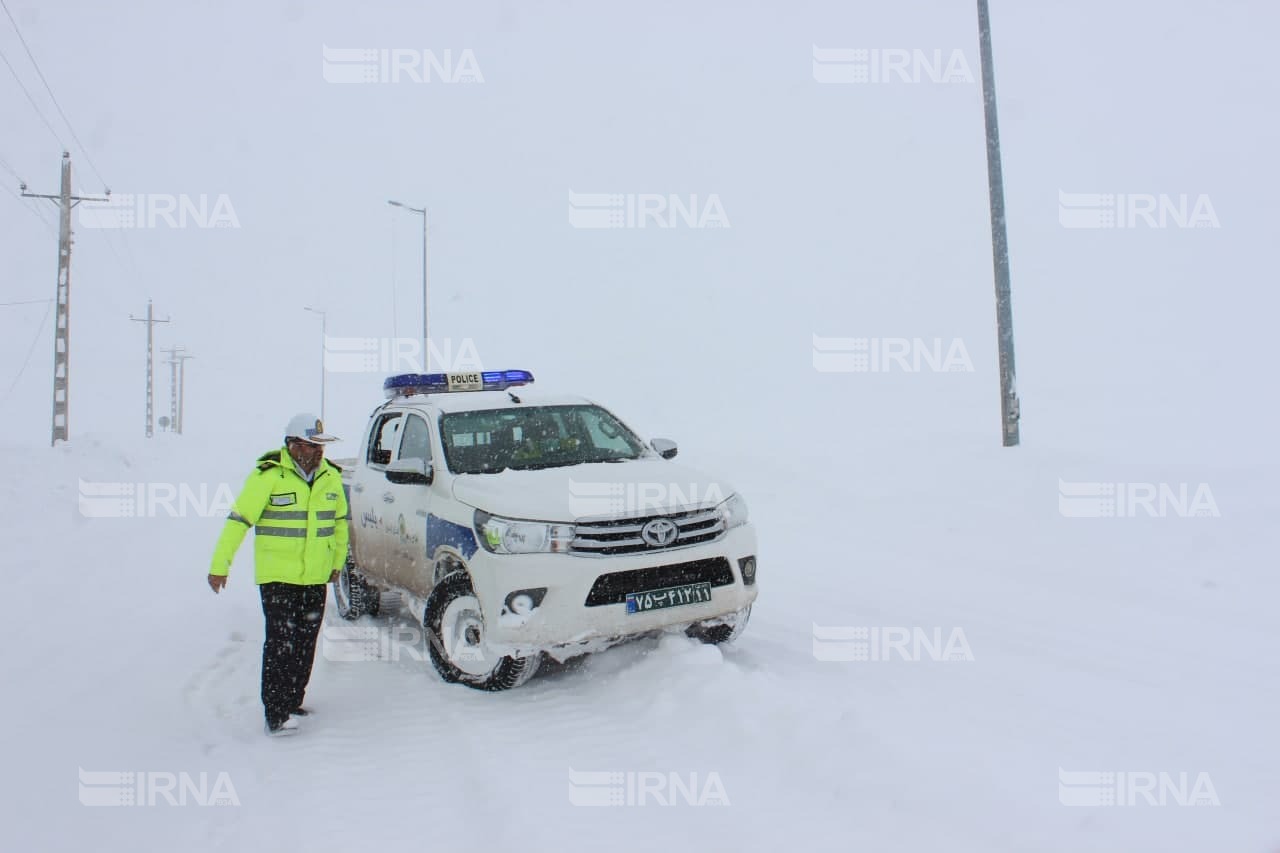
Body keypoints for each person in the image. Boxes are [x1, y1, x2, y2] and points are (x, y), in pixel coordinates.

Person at [207, 414, 349, 737]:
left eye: (320, 446)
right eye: (312, 446)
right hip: (278, 579)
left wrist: (336, 562)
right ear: (293, 445)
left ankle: (294, 699)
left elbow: (340, 523)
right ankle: (276, 712)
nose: (318, 452)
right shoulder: (268, 476)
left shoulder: (330, 478)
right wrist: (220, 565)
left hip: (314, 577)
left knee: (305, 642)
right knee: (280, 643)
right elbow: (239, 520)